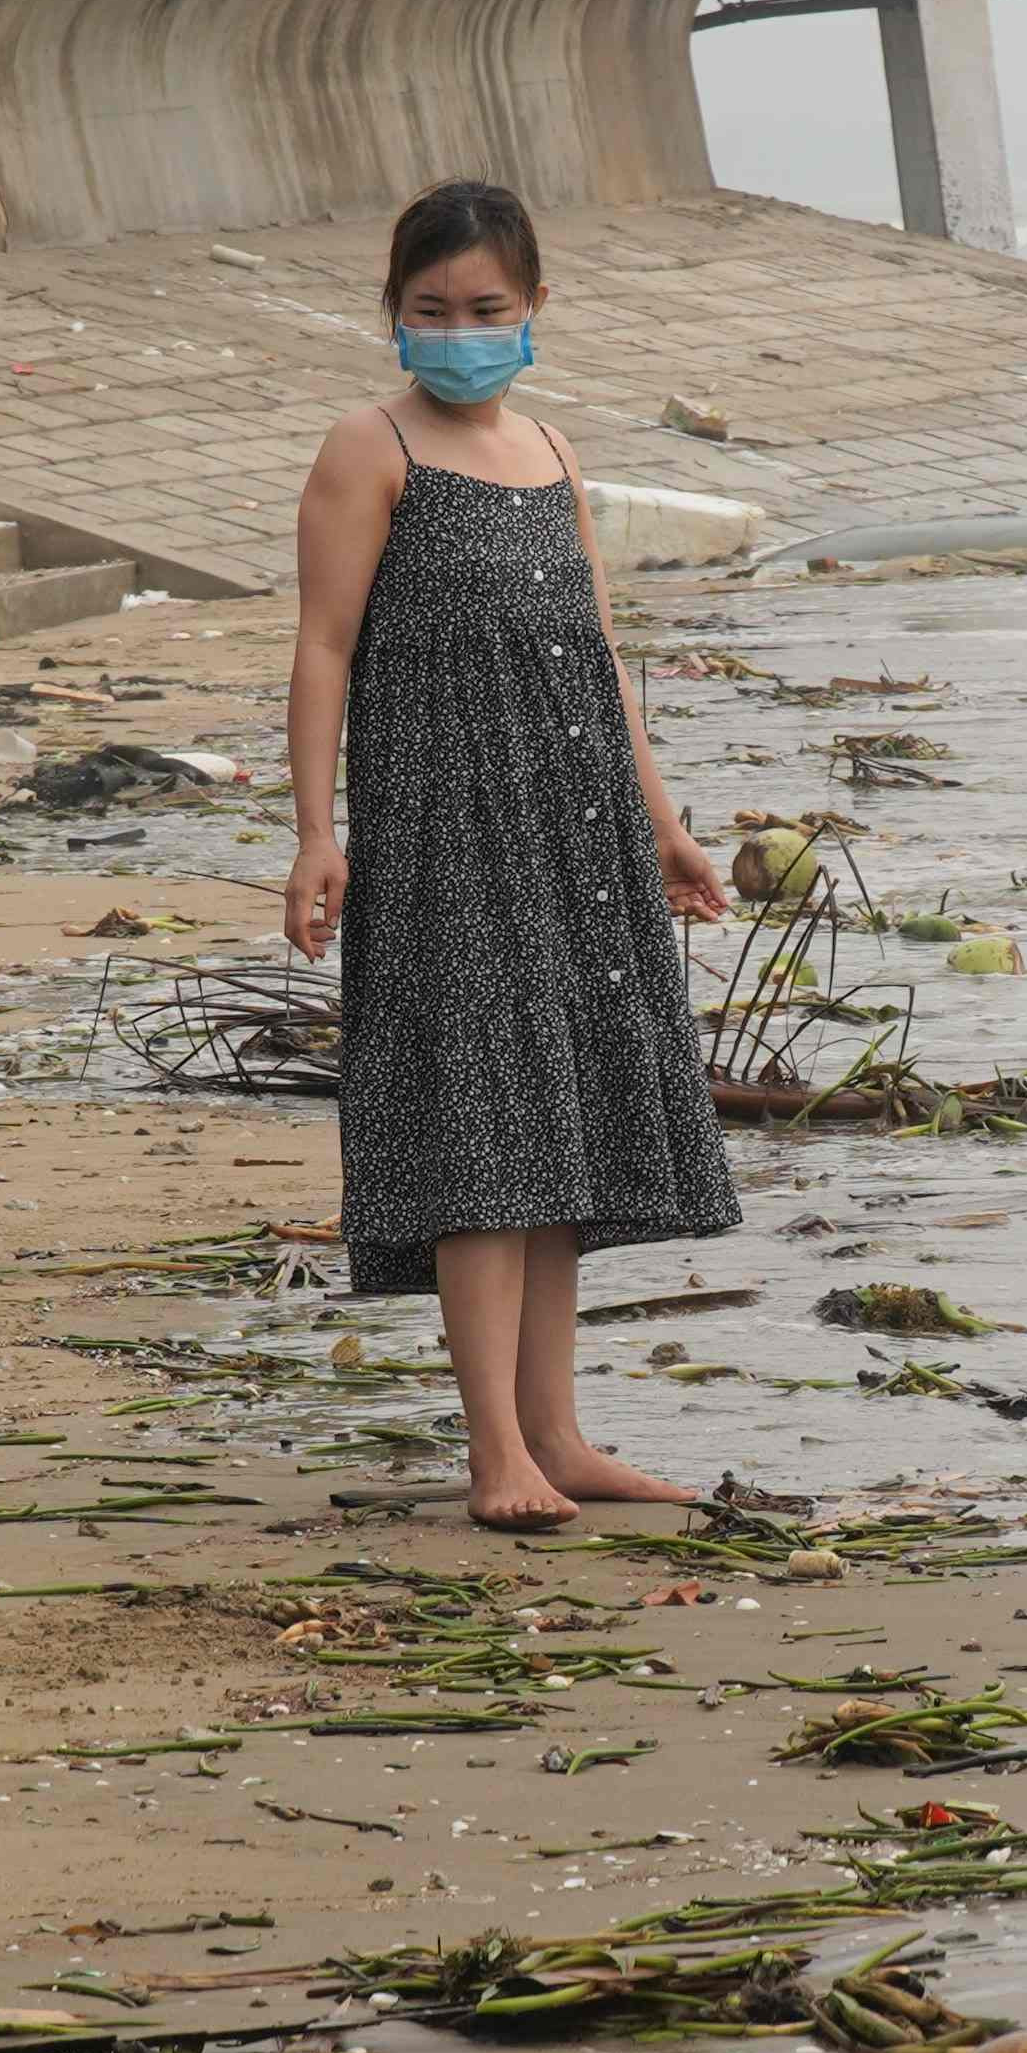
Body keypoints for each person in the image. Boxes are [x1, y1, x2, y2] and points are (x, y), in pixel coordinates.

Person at [283, 178, 741, 1530]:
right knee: (480, 1121)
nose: (460, 331)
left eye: (488, 308)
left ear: (536, 310)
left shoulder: (548, 452)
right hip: (443, 830)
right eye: (432, 310)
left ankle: (560, 1433)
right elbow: (321, 647)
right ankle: (496, 1456)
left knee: (560, 1118)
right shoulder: (369, 449)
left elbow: (599, 661)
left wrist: (663, 830)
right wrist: (318, 834)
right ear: (395, 315)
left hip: (576, 833)